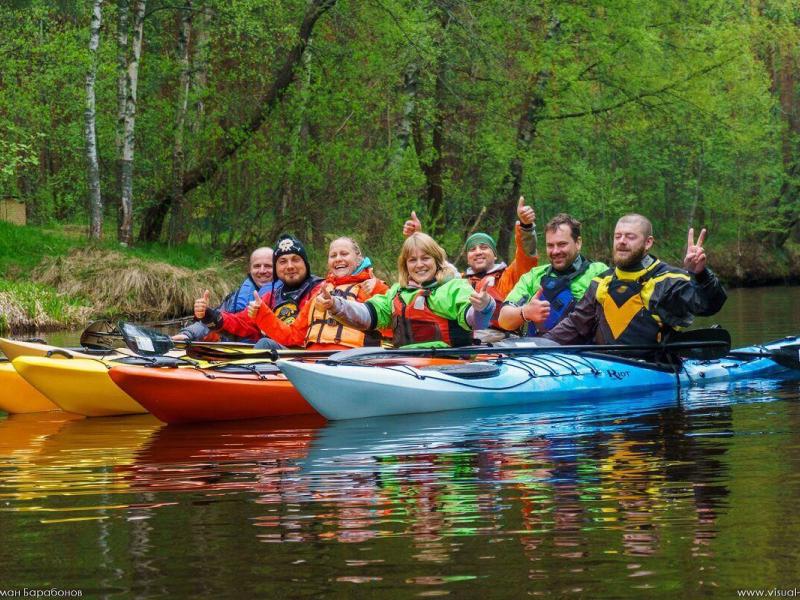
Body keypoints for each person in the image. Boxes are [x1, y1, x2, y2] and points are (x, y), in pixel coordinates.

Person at [543, 214, 726, 347]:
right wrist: (538, 344)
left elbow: (709, 305)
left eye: (630, 237)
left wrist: (700, 274)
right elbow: (575, 326)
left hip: (655, 369)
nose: (622, 241)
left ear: (648, 243)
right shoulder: (601, 282)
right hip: (605, 367)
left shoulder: (668, 280)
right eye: (618, 236)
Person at [316, 232, 494, 348]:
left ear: (437, 260)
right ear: (405, 265)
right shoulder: (397, 293)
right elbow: (367, 314)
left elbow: (475, 321)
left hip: (450, 365)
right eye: (412, 260)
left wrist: (483, 307)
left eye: (425, 258)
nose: (419, 265)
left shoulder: (454, 287)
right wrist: (335, 304)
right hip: (407, 366)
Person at [402, 196, 538, 336]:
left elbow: (526, 256)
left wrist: (526, 227)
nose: (478, 252)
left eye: (484, 247)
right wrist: (417, 238)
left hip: (502, 339)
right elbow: (432, 263)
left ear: (495, 255)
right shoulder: (456, 280)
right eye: (472, 249)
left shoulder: (509, 276)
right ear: (467, 259)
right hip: (467, 339)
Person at [247, 237, 390, 350]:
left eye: (344, 254)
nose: (338, 258)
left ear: (359, 259)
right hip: (315, 361)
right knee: (265, 344)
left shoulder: (371, 287)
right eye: (333, 255)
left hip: (351, 361)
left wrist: (379, 288)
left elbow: (394, 328)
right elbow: (293, 336)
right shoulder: (321, 293)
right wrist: (262, 314)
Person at [194, 235, 323, 342]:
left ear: (306, 264)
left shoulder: (321, 291)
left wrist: (264, 316)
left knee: (264, 343)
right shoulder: (270, 297)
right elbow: (243, 323)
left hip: (304, 356)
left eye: (295, 260)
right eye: (283, 261)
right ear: (277, 268)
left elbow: (298, 336)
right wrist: (210, 316)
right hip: (273, 356)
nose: (289, 266)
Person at [497, 213, 608, 335]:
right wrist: (525, 312)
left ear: (578, 243)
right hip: (539, 346)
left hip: (584, 346)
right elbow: (503, 320)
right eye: (550, 245)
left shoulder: (599, 272)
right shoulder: (534, 276)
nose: (555, 251)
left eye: (562, 244)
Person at [173, 246, 280, 342]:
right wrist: (189, 333)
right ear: (250, 269)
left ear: (277, 268)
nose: (262, 271)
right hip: (238, 350)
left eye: (268, 266)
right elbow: (217, 320)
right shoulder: (235, 298)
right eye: (257, 266)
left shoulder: (284, 294)